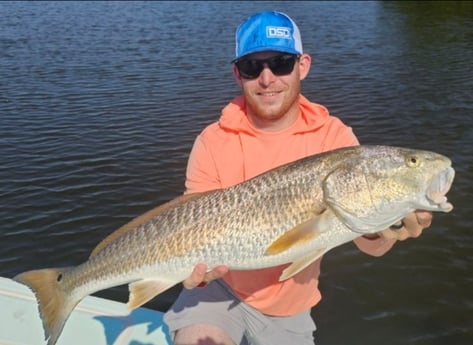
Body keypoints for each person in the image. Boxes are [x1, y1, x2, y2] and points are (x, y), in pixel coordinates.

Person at [164, 10, 433, 345]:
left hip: (290, 306)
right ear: (237, 74)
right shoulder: (212, 140)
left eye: (280, 63)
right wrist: (194, 275)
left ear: (303, 65)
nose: (267, 78)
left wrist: (387, 228)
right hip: (218, 289)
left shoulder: (334, 140)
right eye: (252, 66)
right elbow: (192, 225)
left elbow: (369, 241)